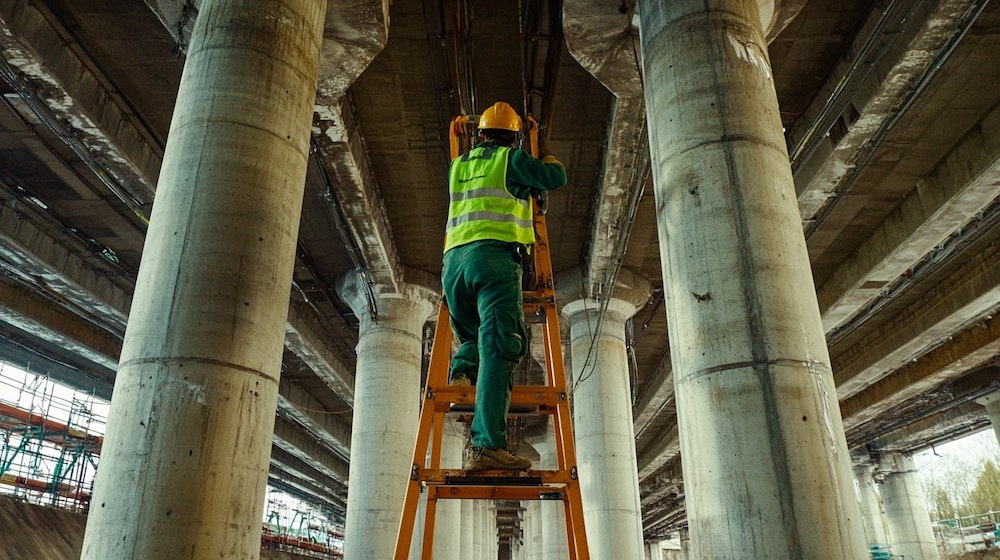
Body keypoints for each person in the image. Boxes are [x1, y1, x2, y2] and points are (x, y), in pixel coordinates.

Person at [442, 101, 567, 471]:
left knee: (473, 335)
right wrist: (542, 148)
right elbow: (554, 177)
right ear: (513, 138)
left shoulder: (457, 166)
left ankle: (463, 366)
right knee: (501, 347)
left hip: (453, 264)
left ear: (479, 134)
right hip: (493, 260)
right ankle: (485, 446)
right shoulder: (510, 160)